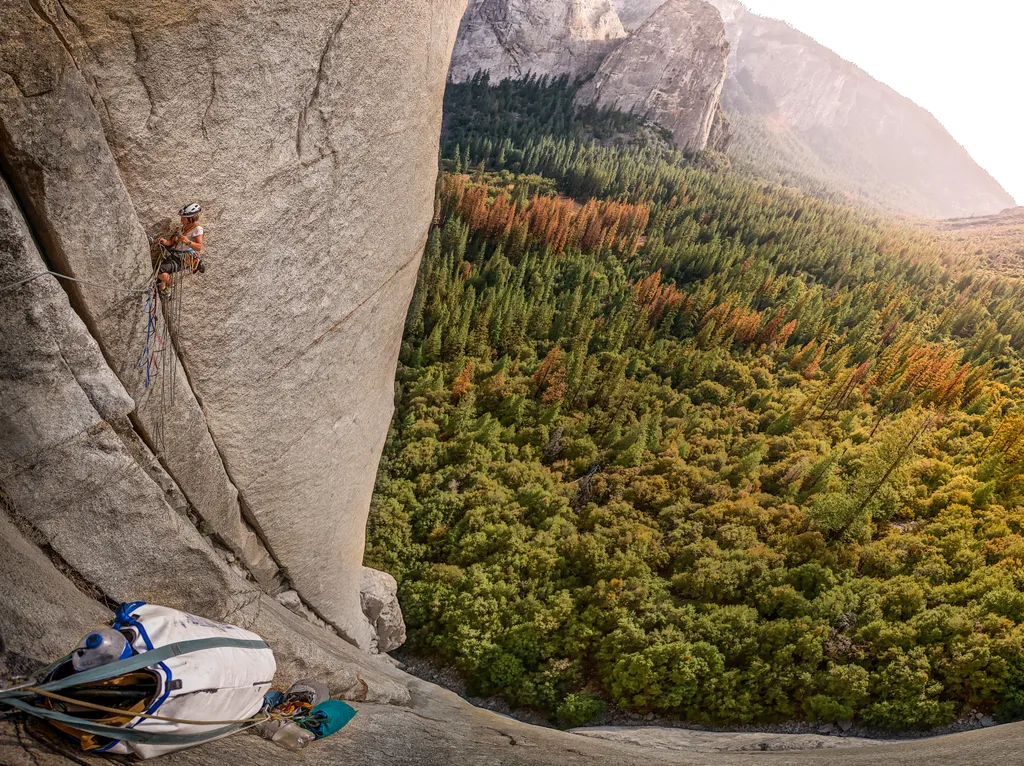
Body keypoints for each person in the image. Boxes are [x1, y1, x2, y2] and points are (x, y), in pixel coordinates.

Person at [156, 203, 205, 291]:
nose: (181, 219)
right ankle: (162, 288)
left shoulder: (197, 229)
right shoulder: (181, 228)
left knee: (159, 271)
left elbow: (199, 247)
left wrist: (187, 241)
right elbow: (171, 242)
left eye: (184, 217)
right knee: (161, 270)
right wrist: (164, 241)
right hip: (175, 255)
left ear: (191, 218)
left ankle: (171, 284)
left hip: (183, 260)